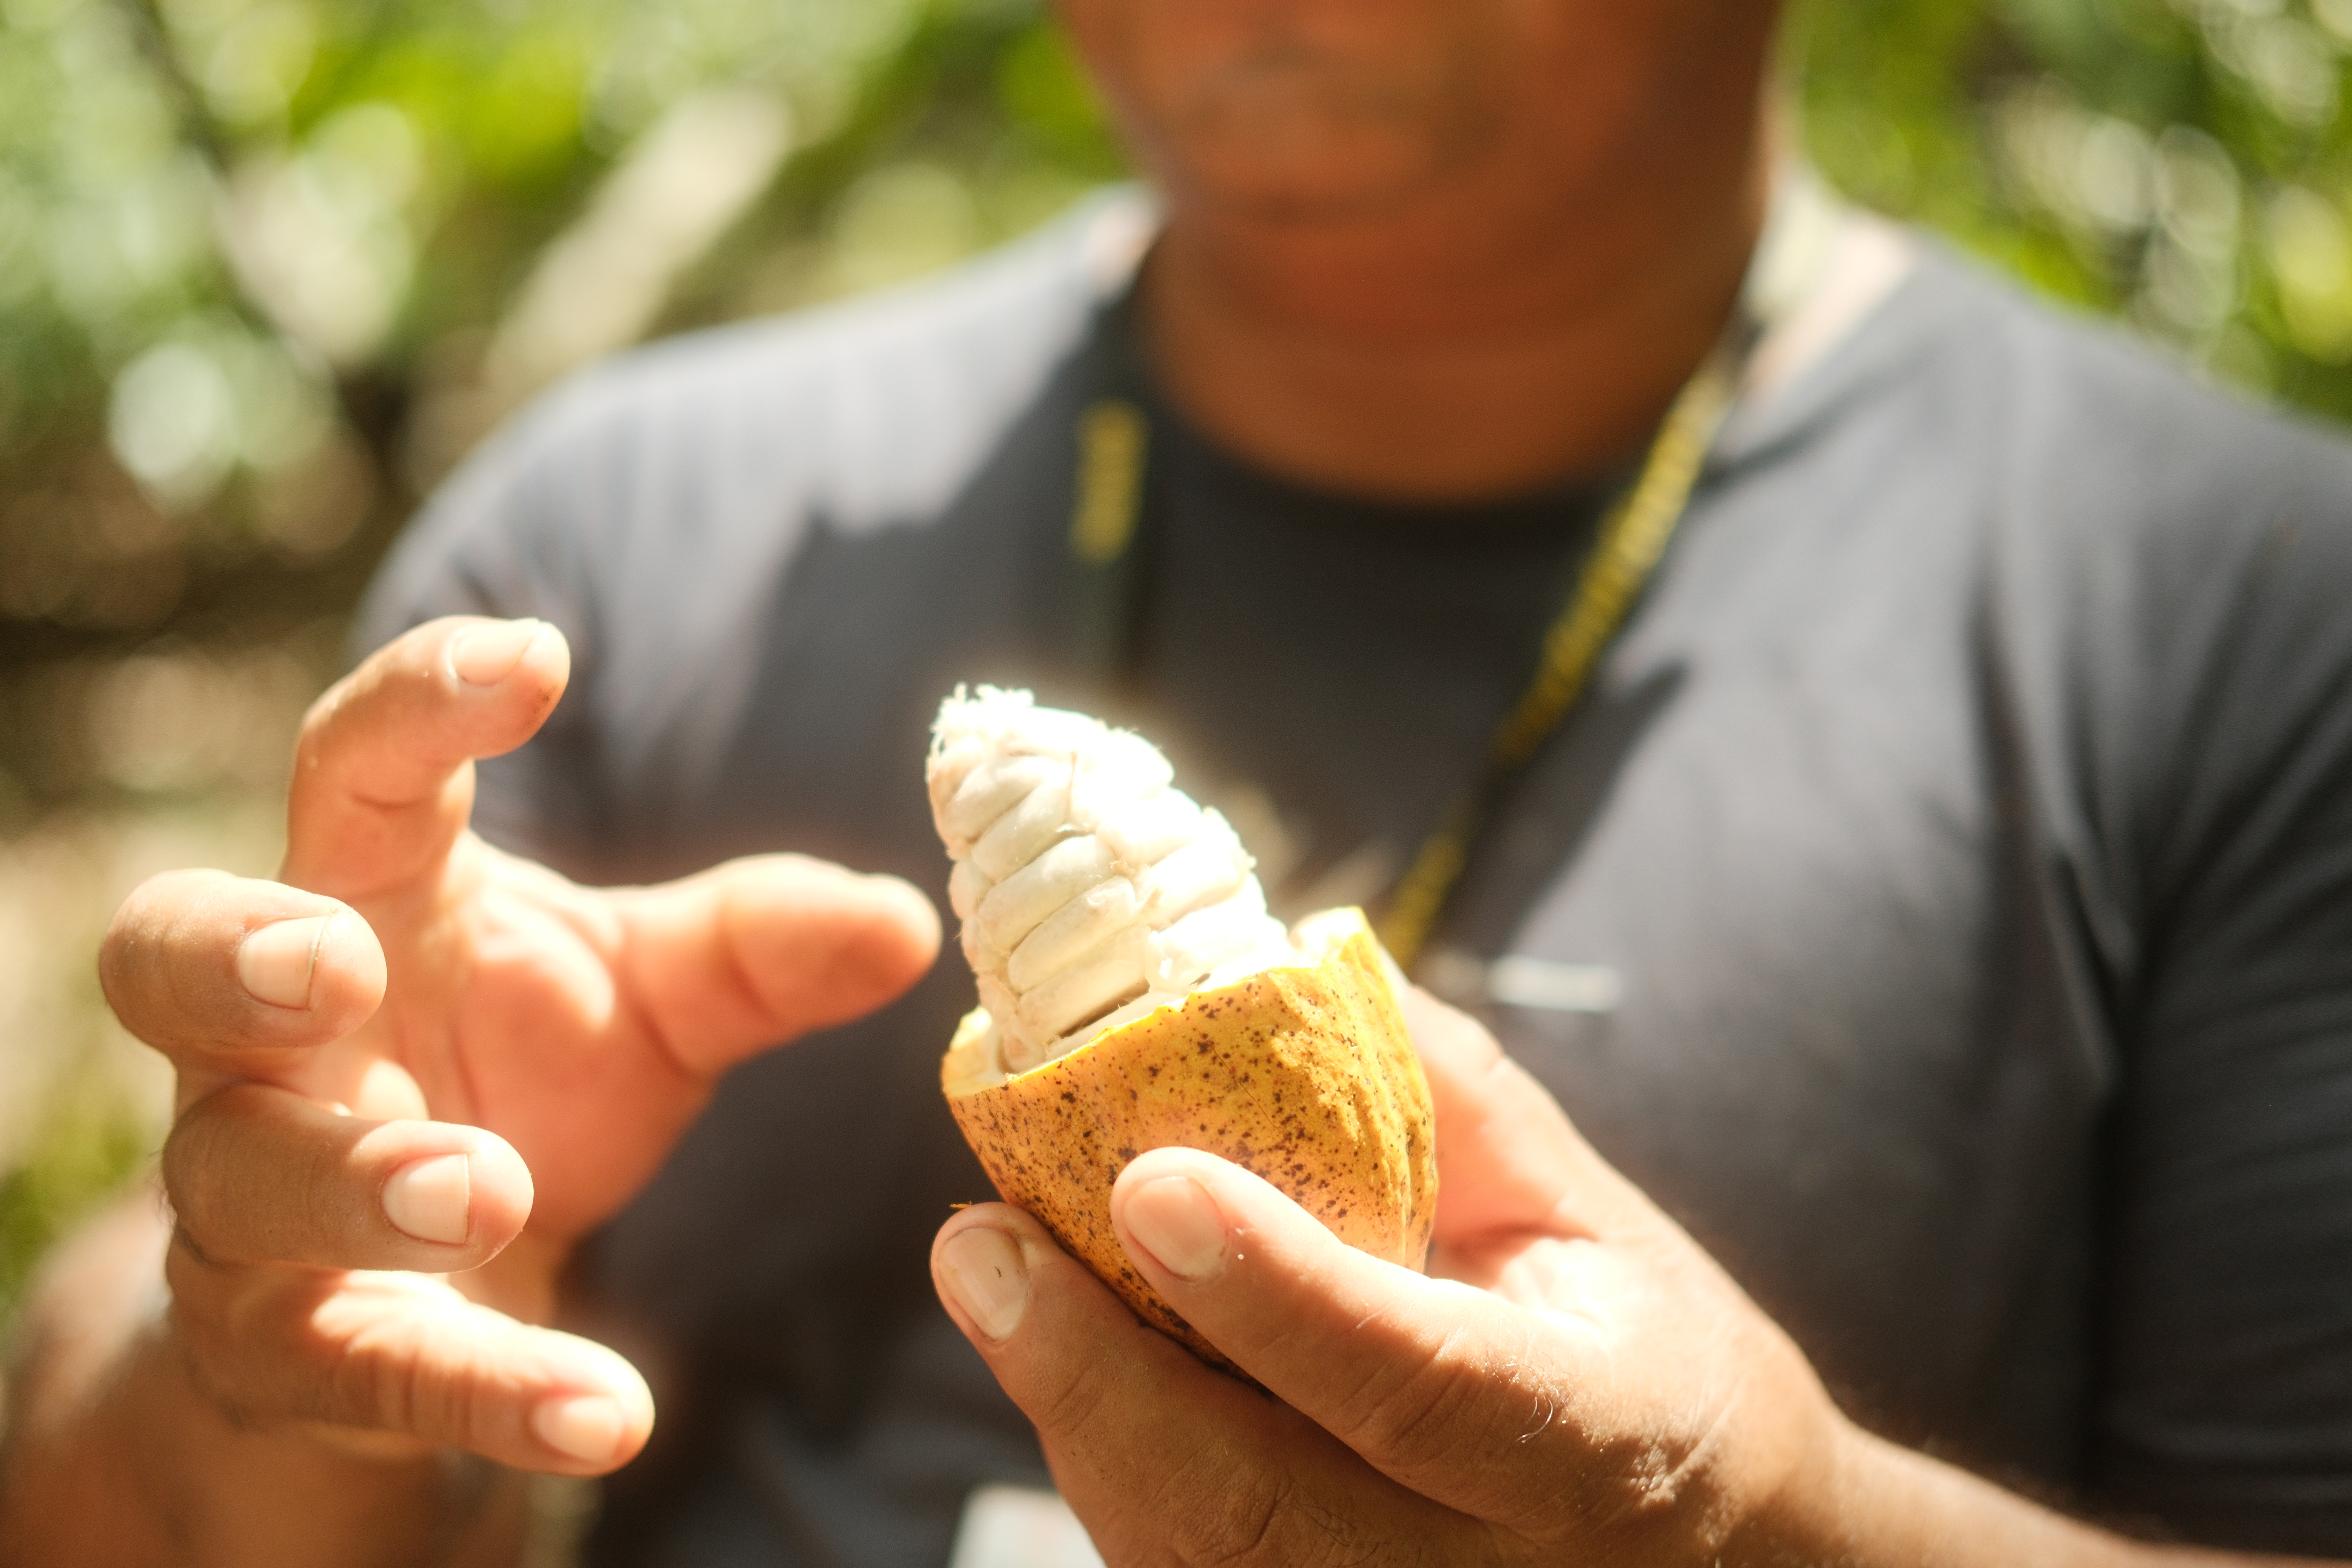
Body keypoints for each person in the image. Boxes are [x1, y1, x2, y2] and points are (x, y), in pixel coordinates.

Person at [5, 0, 2352, 1562]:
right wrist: (283, 1346)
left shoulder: (2247, 617)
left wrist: (1783, 1522)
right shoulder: (625, 532)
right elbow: (99, 1484)